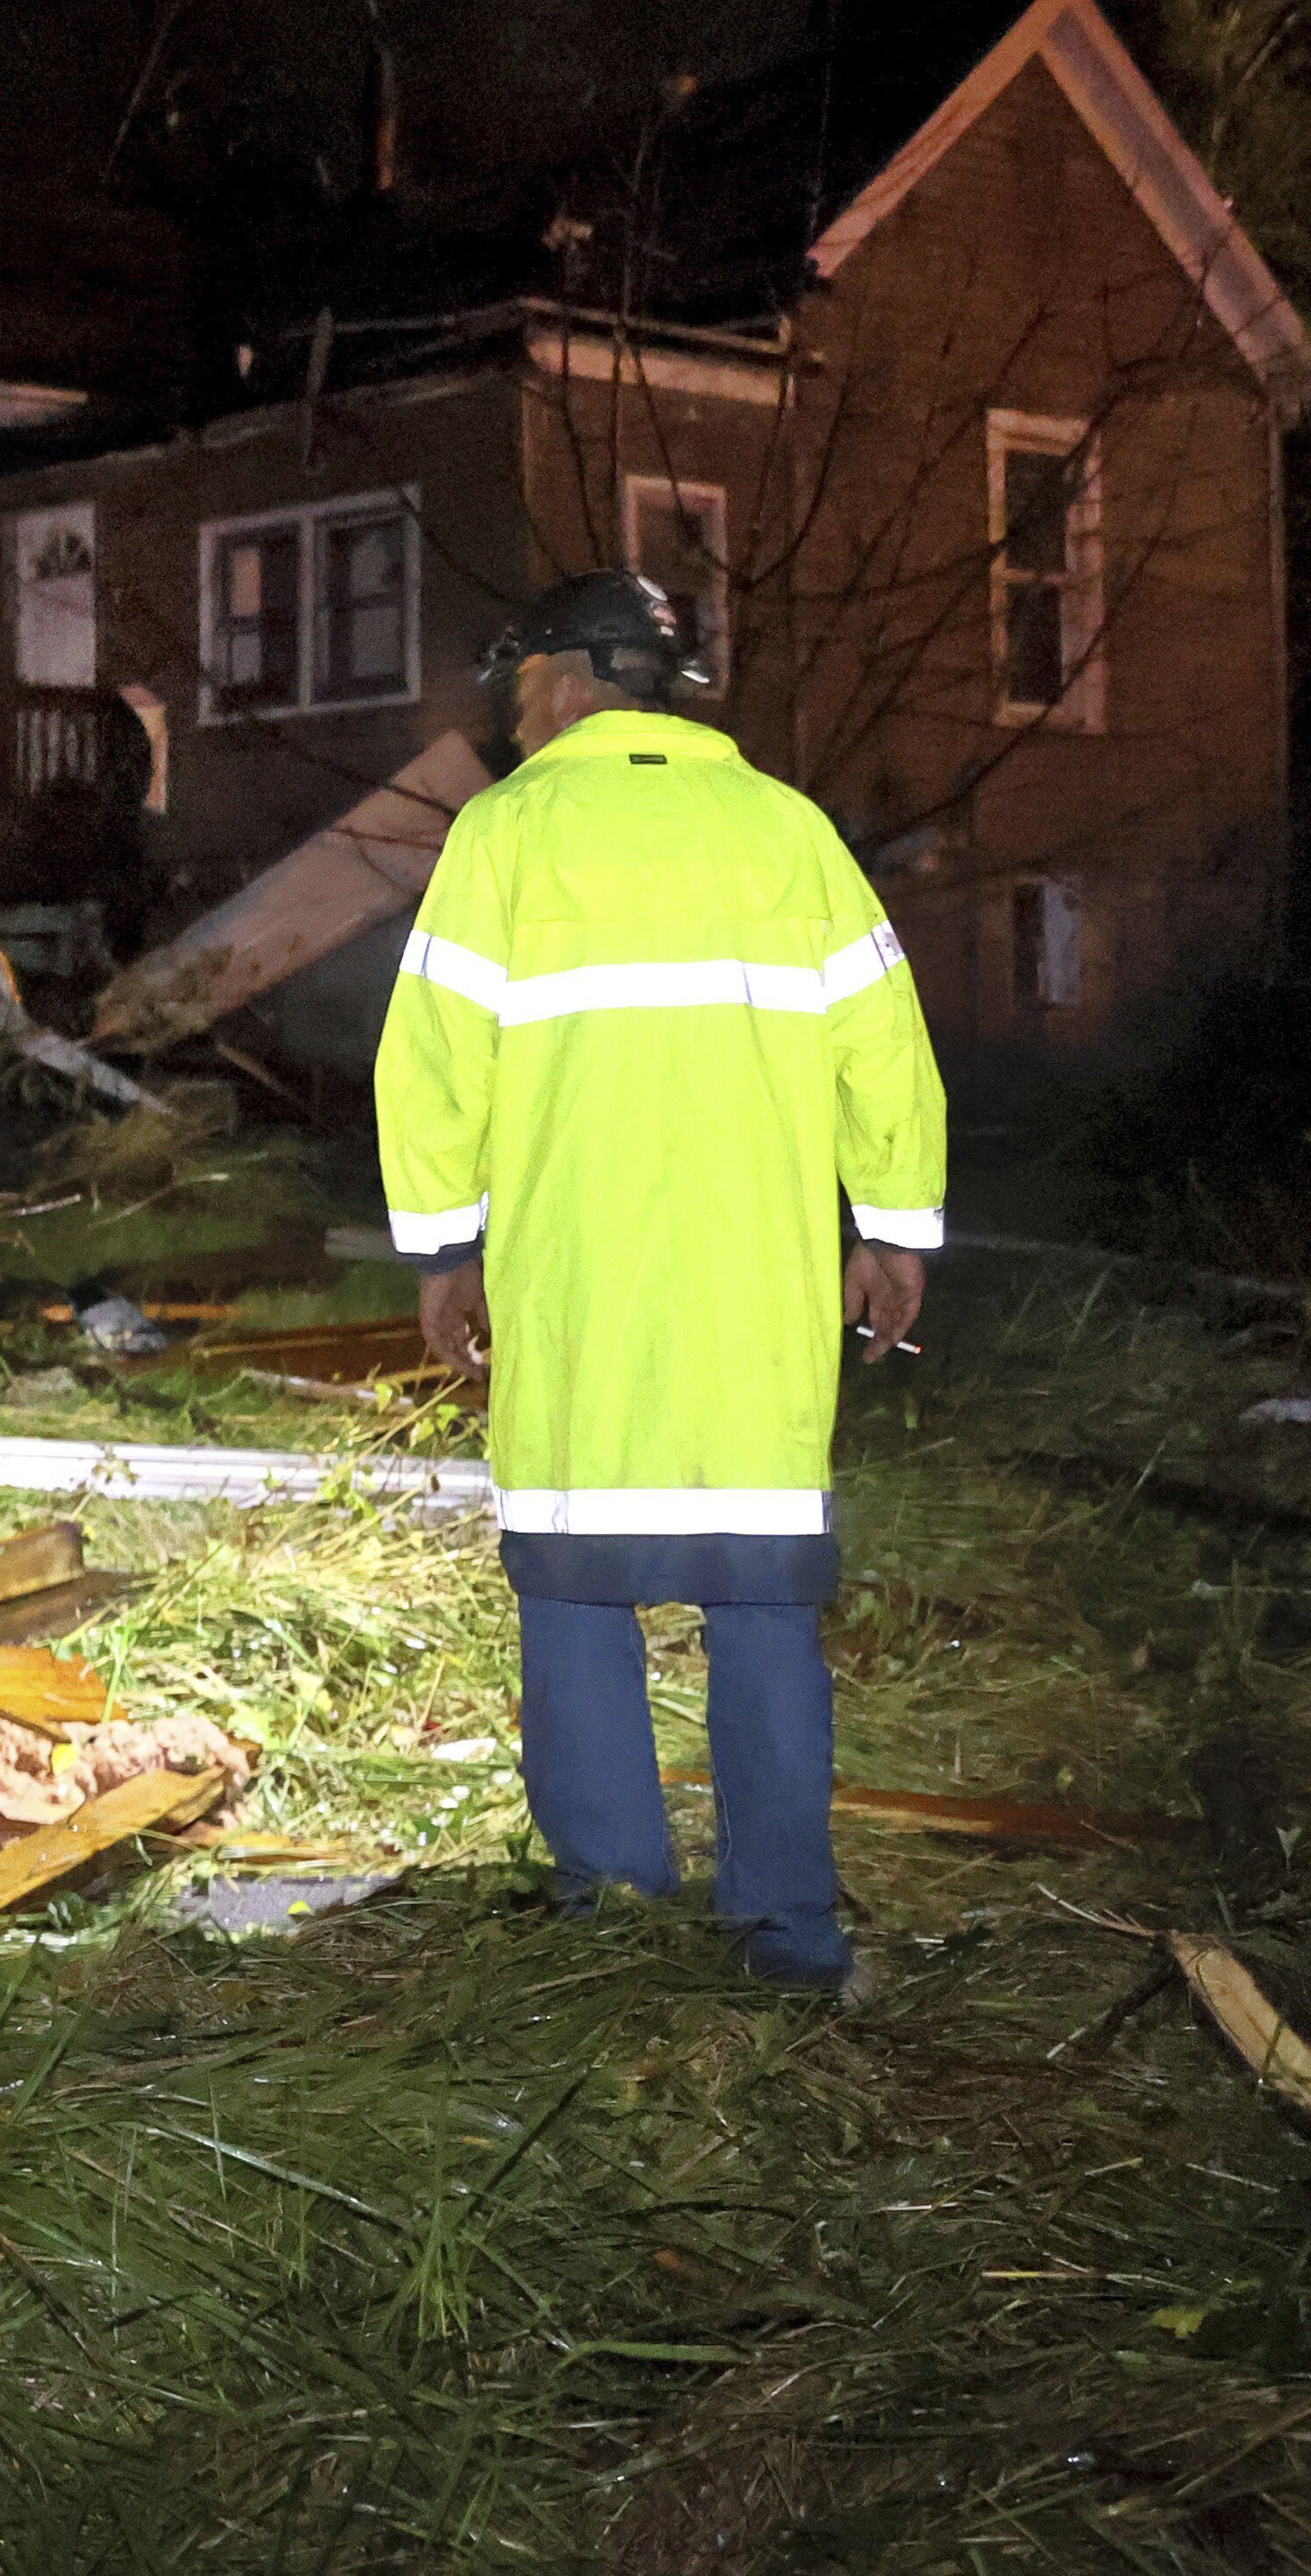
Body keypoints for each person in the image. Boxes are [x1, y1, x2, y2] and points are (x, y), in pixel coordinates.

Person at [373, 569, 947, 1997]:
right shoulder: (786, 832)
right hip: (756, 1308)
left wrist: (444, 1251)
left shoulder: (505, 836)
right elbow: (885, 1047)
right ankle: (786, 1938)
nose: (512, 721)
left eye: (518, 690)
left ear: (571, 677)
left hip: (578, 1301)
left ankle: (614, 1930)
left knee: (574, 1595)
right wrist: (891, 1231)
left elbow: (430, 1067)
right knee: (762, 1608)